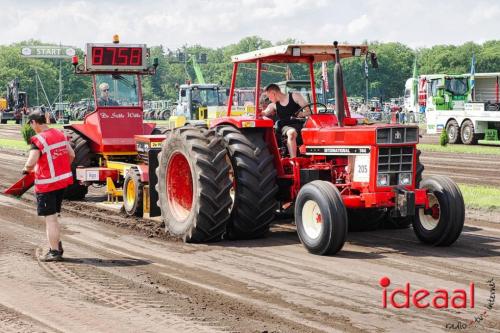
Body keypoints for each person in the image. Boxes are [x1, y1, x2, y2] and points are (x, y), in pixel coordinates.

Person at [23, 112, 75, 262]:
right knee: (55, 216)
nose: (31, 128)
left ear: (34, 122)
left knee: (50, 219)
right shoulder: (59, 133)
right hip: (62, 183)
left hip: (47, 185)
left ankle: (54, 252)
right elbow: (71, 154)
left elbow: (31, 162)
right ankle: (56, 244)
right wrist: (62, 168)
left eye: (30, 124)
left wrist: (26, 169)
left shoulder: (38, 140)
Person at [261, 84, 310, 158]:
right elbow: (264, 112)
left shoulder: (295, 96)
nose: (269, 99)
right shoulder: (273, 105)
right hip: (285, 126)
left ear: (273, 93)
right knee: (292, 132)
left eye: (269, 97)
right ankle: (294, 160)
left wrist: (302, 114)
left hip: (299, 124)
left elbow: (310, 111)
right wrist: (258, 112)